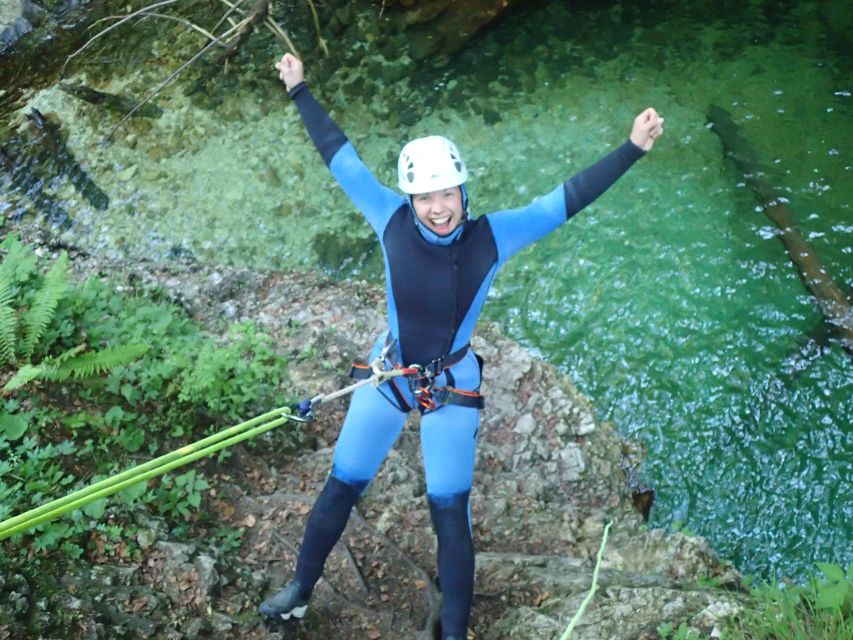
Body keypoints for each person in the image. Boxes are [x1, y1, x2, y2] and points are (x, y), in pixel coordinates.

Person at [260, 52, 664, 640]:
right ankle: (299, 591)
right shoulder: (389, 218)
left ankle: (452, 633)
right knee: (341, 484)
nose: (439, 208)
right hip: (390, 370)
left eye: (447, 193)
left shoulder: (492, 238)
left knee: (450, 514)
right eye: (426, 198)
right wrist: (298, 89)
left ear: (462, 190)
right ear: (411, 199)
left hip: (451, 386)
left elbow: (566, 199)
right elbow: (337, 156)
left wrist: (632, 147)